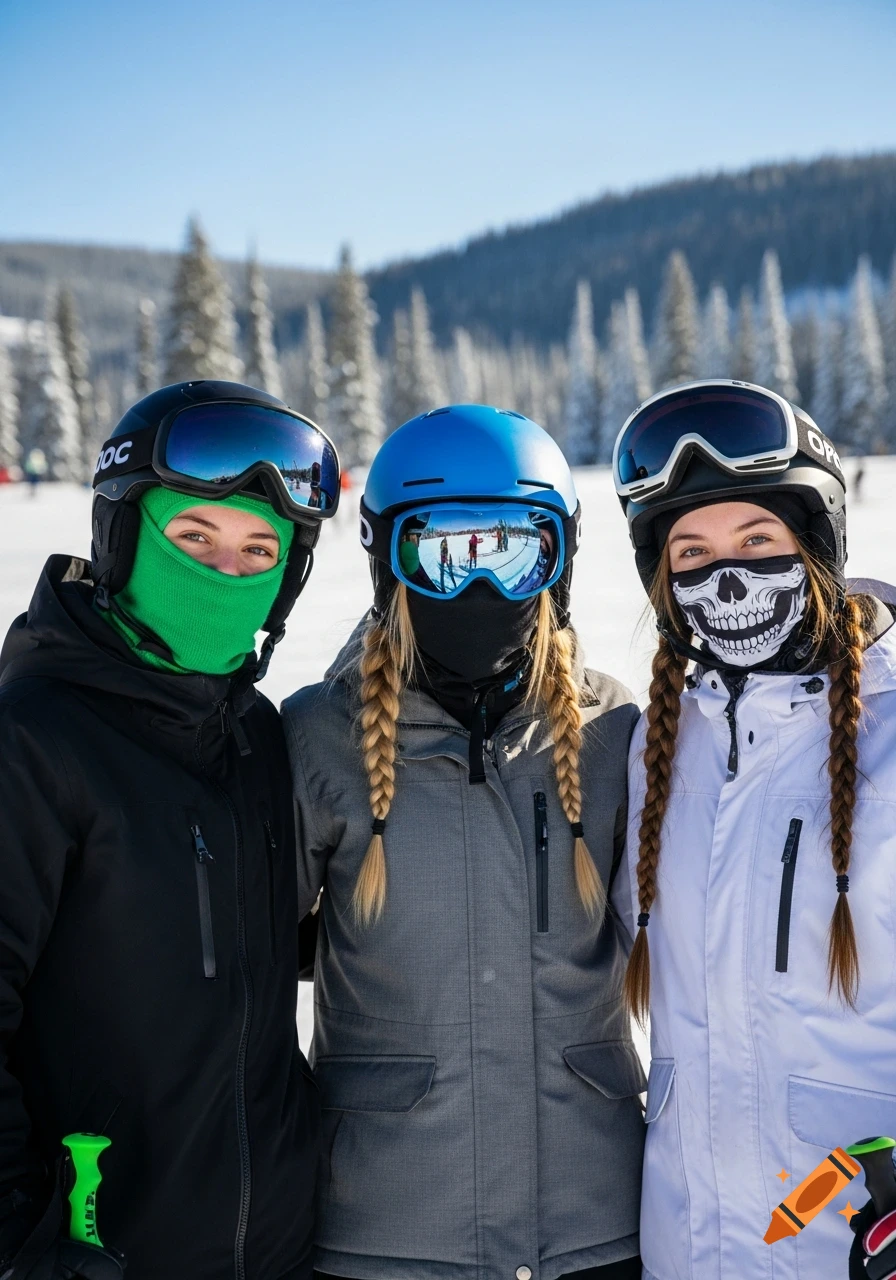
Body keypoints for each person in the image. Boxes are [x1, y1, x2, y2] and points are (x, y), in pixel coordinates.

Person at [283, 404, 645, 1280]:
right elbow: (250, 979)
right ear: (387, 565)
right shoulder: (317, 740)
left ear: (559, 563)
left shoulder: (613, 735)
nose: (480, 588)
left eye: (518, 549)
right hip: (389, 1226)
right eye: (441, 554)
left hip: (596, 1223)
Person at [0, 380, 340, 1280]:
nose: (226, 574)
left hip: (275, 1252)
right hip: (96, 1254)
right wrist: (22, 1241)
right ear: (122, 537)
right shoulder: (34, 739)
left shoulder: (258, 737)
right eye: (194, 537)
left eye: (258, 551)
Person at [610, 379, 896, 1280]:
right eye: (690, 552)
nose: (722, 575)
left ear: (815, 545)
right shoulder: (661, 741)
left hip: (854, 1244)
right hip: (688, 1242)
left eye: (757, 540)